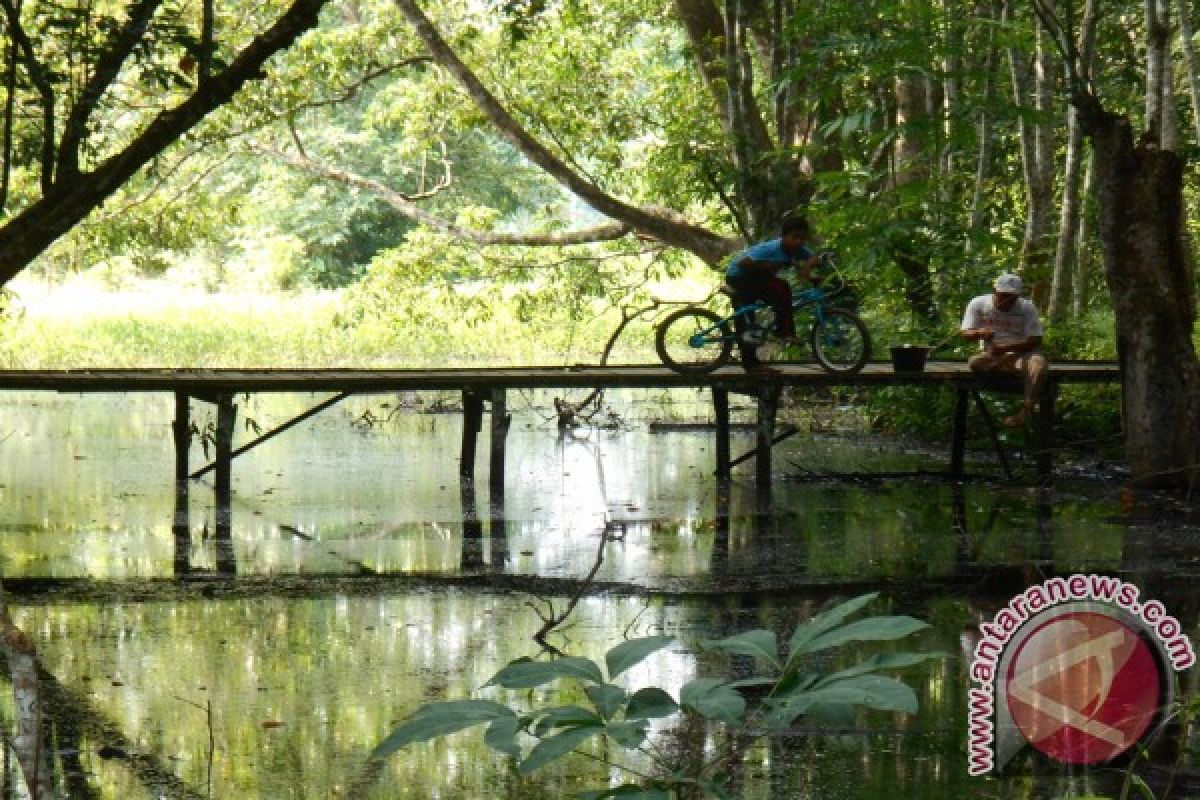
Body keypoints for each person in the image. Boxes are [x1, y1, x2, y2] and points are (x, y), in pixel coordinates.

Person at [724, 215, 822, 377]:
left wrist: (809, 268)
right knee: (780, 288)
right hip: (738, 277)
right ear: (783, 236)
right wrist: (769, 265)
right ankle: (783, 331)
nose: (799, 241)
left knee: (749, 321)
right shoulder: (771, 248)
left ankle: (754, 363)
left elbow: (812, 258)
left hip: (756, 279)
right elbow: (743, 263)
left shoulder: (796, 249)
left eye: (802, 238)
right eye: (794, 237)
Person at [960, 273, 1048, 427]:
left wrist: (1007, 349)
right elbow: (966, 333)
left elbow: (1035, 340)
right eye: (1003, 295)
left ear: (1018, 296)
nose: (1006, 300)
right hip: (992, 357)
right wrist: (979, 333)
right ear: (995, 291)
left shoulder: (1026, 307)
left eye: (1011, 297)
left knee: (1039, 364)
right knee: (975, 362)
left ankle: (1026, 411)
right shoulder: (978, 304)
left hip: (1021, 355)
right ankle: (1008, 369)